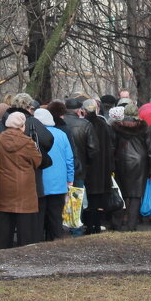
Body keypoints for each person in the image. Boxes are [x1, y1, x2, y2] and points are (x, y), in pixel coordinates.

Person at [0, 111, 42, 248]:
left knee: (3, 225)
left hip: (3, 186)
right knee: (25, 227)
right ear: (22, 126)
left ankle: (1, 251)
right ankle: (25, 253)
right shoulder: (28, 142)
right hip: (25, 188)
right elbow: (37, 161)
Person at [35, 105, 75, 242]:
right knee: (56, 217)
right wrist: (70, 178)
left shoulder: (34, 135)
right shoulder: (62, 134)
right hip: (59, 183)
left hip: (39, 184)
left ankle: (38, 242)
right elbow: (69, 159)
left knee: (39, 217)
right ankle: (56, 241)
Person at [108, 106, 149, 230]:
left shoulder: (116, 128)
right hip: (140, 163)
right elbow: (150, 149)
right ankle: (132, 225)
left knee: (120, 193)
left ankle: (118, 223)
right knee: (136, 195)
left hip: (121, 162)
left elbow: (112, 147)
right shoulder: (143, 128)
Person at [61, 99, 98, 236]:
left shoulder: (59, 123)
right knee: (77, 200)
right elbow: (93, 149)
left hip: (61, 169)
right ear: (79, 110)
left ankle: (61, 229)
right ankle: (76, 230)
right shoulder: (85, 124)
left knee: (60, 200)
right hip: (79, 169)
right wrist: (87, 163)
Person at [82, 99, 115, 232]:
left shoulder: (85, 125)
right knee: (98, 200)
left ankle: (90, 226)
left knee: (89, 200)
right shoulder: (104, 125)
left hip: (90, 168)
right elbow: (110, 146)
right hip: (103, 168)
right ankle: (96, 225)